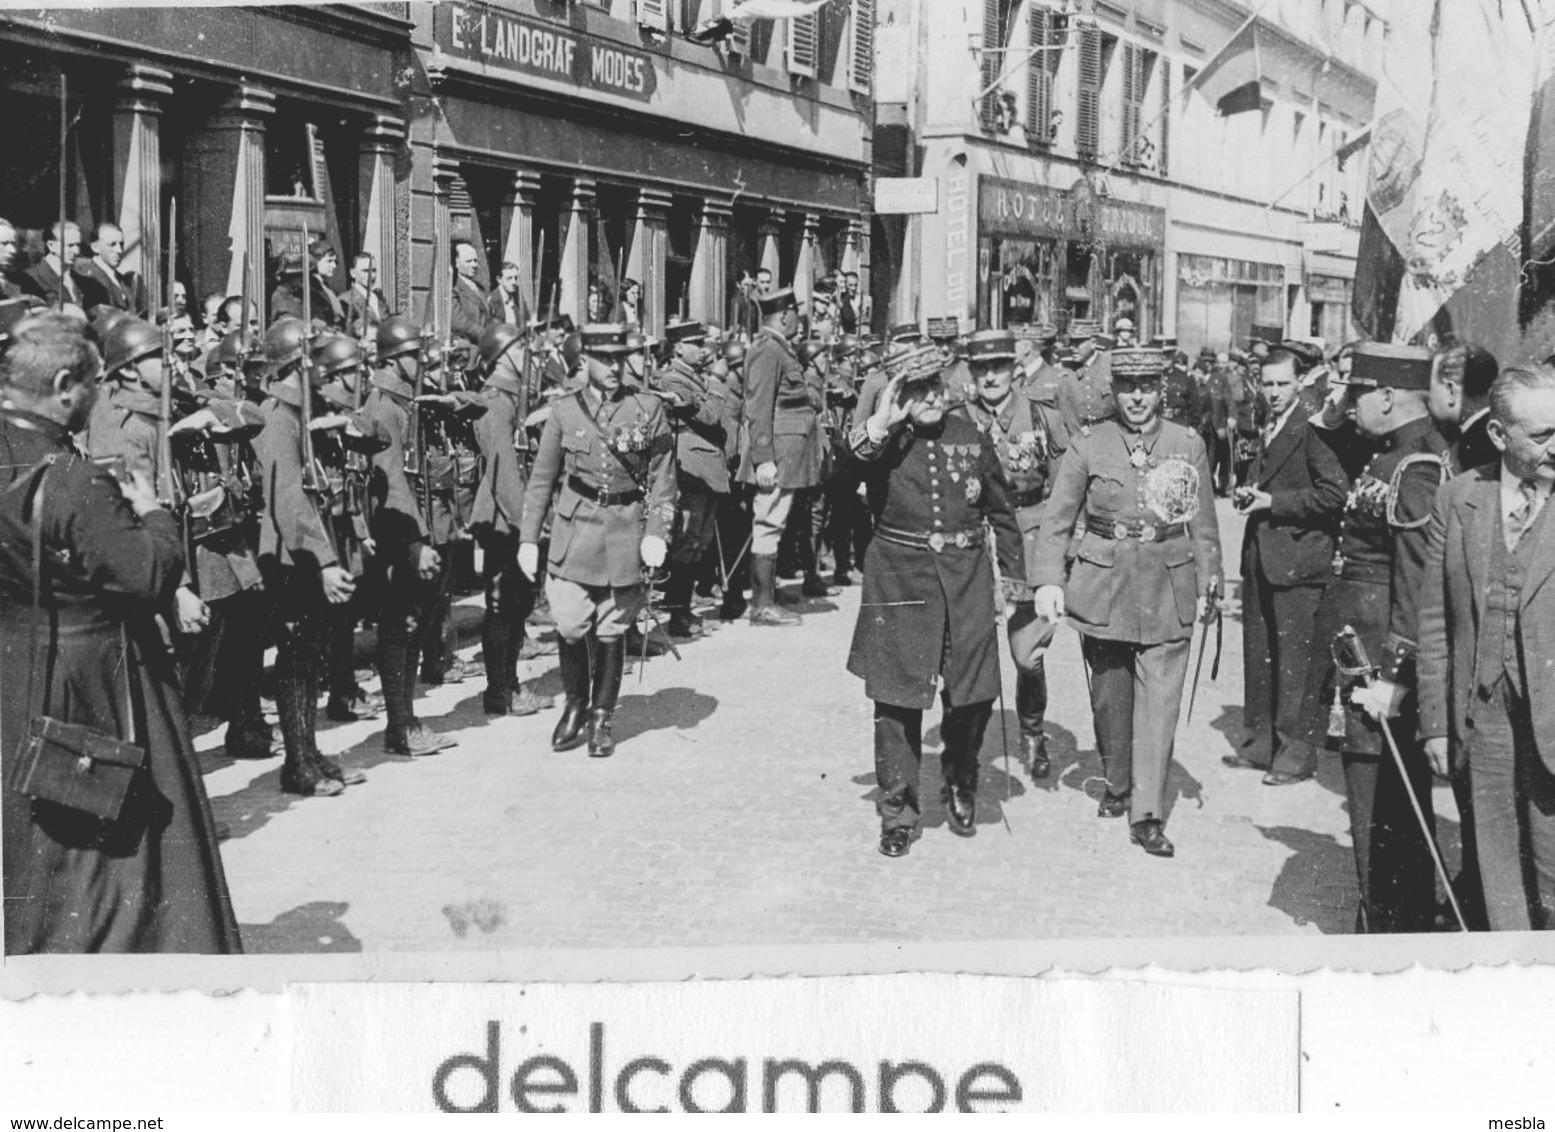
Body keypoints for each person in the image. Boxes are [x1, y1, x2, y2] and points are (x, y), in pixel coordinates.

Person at [1, 308, 240, 953]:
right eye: (92, 384)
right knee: (127, 843)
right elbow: (143, 576)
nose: (96, 397)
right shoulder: (73, 481)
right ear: (62, 388)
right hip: (97, 677)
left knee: (36, 840)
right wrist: (157, 516)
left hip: (15, 670)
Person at [1034, 347, 1222, 858]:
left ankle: (1148, 815)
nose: (1137, 397)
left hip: (1168, 586)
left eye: (1147, 387)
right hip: (1104, 588)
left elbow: (1202, 523)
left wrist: (1212, 581)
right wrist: (1048, 580)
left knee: (1159, 707)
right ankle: (1118, 782)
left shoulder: (1187, 444)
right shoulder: (1089, 444)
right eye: (1127, 387)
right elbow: (1057, 520)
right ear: (1113, 391)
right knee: (1109, 701)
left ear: (1162, 389)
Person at [845, 346, 1025, 857]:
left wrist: (1013, 583)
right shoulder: (882, 443)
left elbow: (1002, 511)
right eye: (912, 389)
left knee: (973, 695)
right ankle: (898, 811)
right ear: (896, 393)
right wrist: (878, 426)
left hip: (966, 583)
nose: (926, 399)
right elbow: (835, 484)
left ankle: (960, 778)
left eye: (933, 387)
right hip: (900, 584)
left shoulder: (969, 434)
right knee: (897, 703)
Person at [1295, 341, 1449, 933]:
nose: (1348, 403)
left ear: (1388, 396)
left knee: (1380, 806)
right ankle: (1387, 919)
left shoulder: (1416, 469)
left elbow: (1417, 586)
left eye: (1358, 392)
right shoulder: (1392, 454)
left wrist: (1395, 677)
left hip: (1378, 671)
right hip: (1364, 659)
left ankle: (1388, 931)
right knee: (1380, 806)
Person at [1418, 365, 1555, 930]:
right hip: (1483, 716)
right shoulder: (1458, 498)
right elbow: (1433, 619)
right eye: (1542, 435)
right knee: (1496, 866)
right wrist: (1436, 724)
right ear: (1500, 436)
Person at [517, 323, 677, 758]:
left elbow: (664, 480)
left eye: (621, 360)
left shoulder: (647, 409)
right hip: (576, 532)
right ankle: (574, 702)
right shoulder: (564, 413)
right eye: (605, 360)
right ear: (584, 360)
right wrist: (529, 538)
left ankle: (601, 717)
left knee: (612, 630)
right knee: (569, 622)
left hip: (626, 530)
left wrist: (657, 534)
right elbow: (541, 482)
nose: (614, 368)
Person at [251, 318, 375, 796]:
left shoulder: (306, 415)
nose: (323, 372)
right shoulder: (277, 421)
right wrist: (323, 563)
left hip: (313, 552)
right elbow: (289, 501)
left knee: (310, 658)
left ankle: (308, 751)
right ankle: (297, 763)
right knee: (297, 660)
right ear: (293, 366)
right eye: (314, 363)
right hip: (294, 558)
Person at [1226, 349, 1348, 786]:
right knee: (1260, 655)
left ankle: (1296, 755)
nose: (1273, 392)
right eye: (1267, 384)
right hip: (1264, 555)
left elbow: (1336, 494)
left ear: (1300, 382)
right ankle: (1261, 743)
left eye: (1281, 384)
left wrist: (1274, 502)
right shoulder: (1270, 421)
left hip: (1298, 561)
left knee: (1294, 661)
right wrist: (1252, 494)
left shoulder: (1313, 428)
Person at [959, 329, 1068, 778]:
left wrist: (1064, 552)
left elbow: (1066, 488)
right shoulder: (955, 420)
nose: (990, 378)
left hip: (1027, 543)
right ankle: (964, 747)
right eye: (981, 369)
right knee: (967, 655)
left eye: (998, 368)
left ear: (1014, 369)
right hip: (972, 545)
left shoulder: (1043, 418)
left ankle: (1031, 730)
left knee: (1028, 655)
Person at [362, 315, 458, 756]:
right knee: (400, 631)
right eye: (413, 356)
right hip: (400, 537)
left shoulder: (406, 400)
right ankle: (400, 727)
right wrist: (417, 543)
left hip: (421, 530)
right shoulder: (384, 406)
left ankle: (407, 721)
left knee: (415, 630)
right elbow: (394, 481)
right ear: (392, 359)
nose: (421, 362)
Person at [469, 322, 552, 716]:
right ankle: (500, 691)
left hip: (515, 518)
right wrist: (527, 530)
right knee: (503, 606)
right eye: (521, 348)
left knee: (516, 605)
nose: (528, 354)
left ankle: (509, 685)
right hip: (504, 520)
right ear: (502, 355)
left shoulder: (511, 400)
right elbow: (503, 474)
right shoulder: (494, 403)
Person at [736, 288, 823, 625]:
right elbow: (758, 407)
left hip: (788, 453)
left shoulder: (777, 349)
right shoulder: (767, 350)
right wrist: (764, 459)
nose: (798, 320)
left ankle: (767, 594)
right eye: (796, 314)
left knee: (776, 522)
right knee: (768, 522)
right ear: (785, 315)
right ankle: (761, 603)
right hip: (777, 455)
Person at [655, 319, 732, 639]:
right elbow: (709, 415)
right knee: (686, 542)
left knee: (697, 541)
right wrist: (716, 380)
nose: (703, 349)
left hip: (705, 468)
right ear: (678, 348)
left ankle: (683, 610)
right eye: (696, 344)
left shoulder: (691, 376)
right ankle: (677, 613)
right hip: (690, 469)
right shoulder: (673, 378)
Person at [73, 222, 144, 319]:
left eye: (121, 244)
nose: (119, 250)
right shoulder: (87, 278)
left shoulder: (119, 278)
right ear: (95, 248)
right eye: (112, 245)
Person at [21, 221, 84, 308]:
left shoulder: (78, 278)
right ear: (51, 245)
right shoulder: (31, 277)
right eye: (70, 245)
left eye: (78, 245)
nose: (77, 251)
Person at [341, 252, 391, 341]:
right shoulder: (346, 300)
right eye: (365, 271)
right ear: (353, 273)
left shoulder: (379, 298)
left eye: (374, 270)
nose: (371, 275)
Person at [450, 239, 488, 345]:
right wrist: (484, 334)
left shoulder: (479, 287)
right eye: (468, 261)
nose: (474, 265)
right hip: (469, 348)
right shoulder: (454, 288)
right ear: (456, 263)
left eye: (475, 261)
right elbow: (458, 322)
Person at [488, 261, 528, 329]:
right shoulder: (491, 300)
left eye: (515, 278)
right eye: (509, 278)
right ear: (499, 279)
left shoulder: (518, 295)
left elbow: (526, 320)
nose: (514, 282)